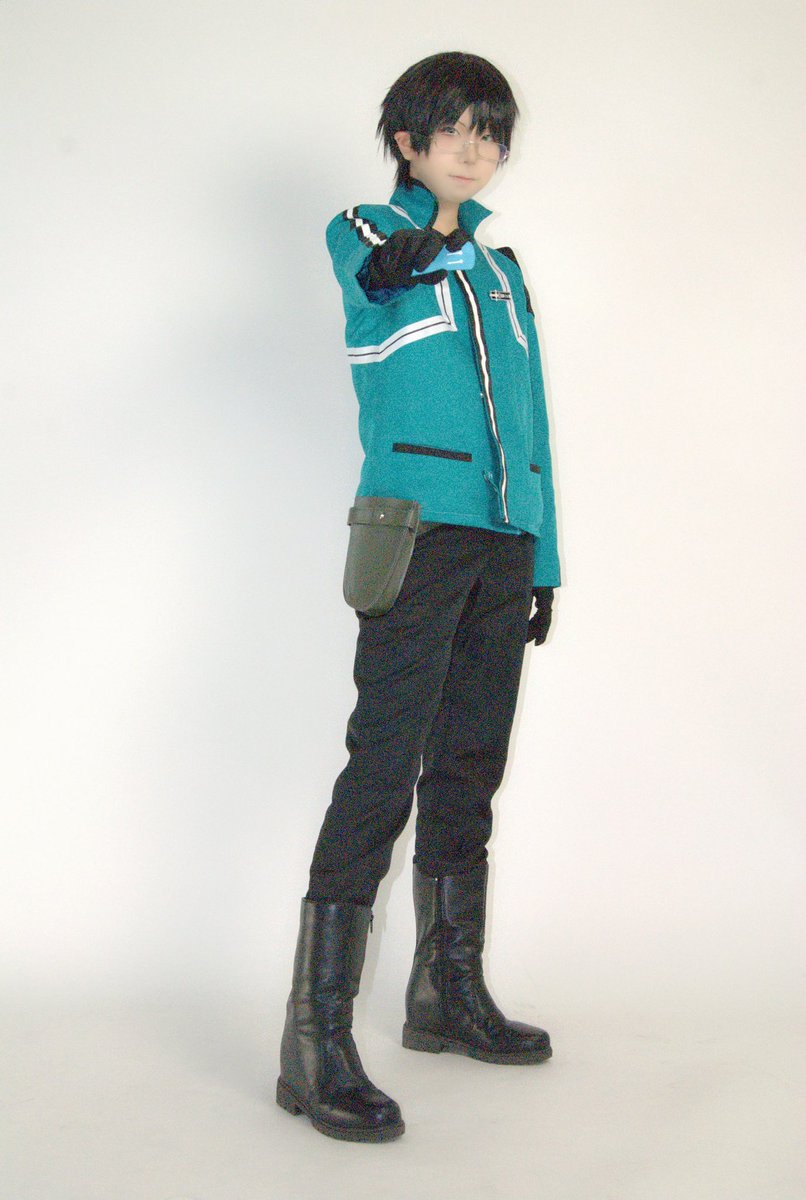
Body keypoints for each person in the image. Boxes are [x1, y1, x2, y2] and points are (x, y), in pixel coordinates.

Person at [276, 51, 561, 1143]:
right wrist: (433, 238)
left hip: (501, 544)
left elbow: (532, 426)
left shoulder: (503, 274)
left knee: (470, 764)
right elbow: (384, 272)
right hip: (415, 538)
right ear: (407, 139)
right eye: (457, 129)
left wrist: (542, 561)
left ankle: (446, 994)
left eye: (492, 133)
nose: (477, 150)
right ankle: (314, 1042)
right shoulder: (368, 232)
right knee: (381, 767)